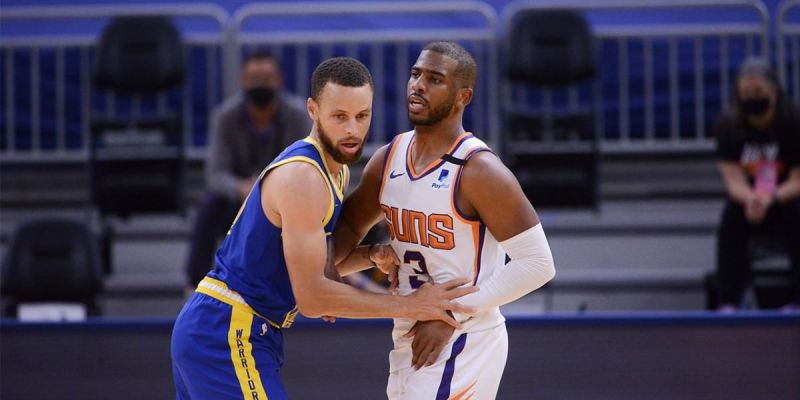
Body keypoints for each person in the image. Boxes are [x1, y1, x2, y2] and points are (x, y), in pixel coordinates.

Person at [171, 57, 478, 400]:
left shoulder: (336, 171)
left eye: (362, 116)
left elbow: (309, 268)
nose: (352, 130)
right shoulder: (304, 177)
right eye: (340, 116)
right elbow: (313, 298)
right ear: (313, 111)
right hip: (226, 329)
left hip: (230, 328)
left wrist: (370, 256)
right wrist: (412, 305)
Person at [333, 42, 556, 399]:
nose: (418, 85)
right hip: (409, 330)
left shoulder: (478, 170)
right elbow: (346, 228)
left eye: (434, 79)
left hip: (463, 337)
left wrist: (450, 314)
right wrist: (327, 277)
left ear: (462, 97)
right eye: (415, 74)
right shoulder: (389, 157)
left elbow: (538, 264)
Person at [184, 51, 312, 287]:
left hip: (286, 199)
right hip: (239, 200)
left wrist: (272, 189)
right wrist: (241, 188)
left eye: (266, 78)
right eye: (254, 78)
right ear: (242, 81)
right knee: (209, 206)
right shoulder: (225, 117)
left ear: (279, 81)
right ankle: (195, 285)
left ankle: (309, 283)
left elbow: (306, 167)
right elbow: (215, 174)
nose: (260, 85)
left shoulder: (297, 115)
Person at [713, 57, 800, 312]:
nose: (752, 97)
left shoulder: (793, 122)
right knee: (730, 219)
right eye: (746, 93)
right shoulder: (727, 127)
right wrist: (751, 198)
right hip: (749, 200)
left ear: (774, 91)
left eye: (758, 92)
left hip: (785, 196)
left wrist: (770, 198)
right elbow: (732, 178)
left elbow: (798, 179)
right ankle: (729, 300)